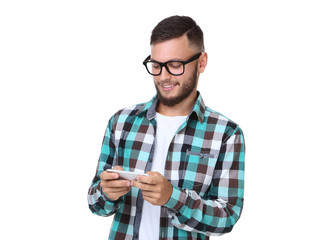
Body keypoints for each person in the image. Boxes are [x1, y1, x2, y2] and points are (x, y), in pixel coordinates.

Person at [88, 15, 245, 240]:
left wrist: (173, 197)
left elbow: (227, 217)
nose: (163, 76)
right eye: (156, 65)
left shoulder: (226, 133)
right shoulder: (121, 122)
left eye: (175, 65)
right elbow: (95, 203)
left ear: (201, 62)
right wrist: (106, 193)